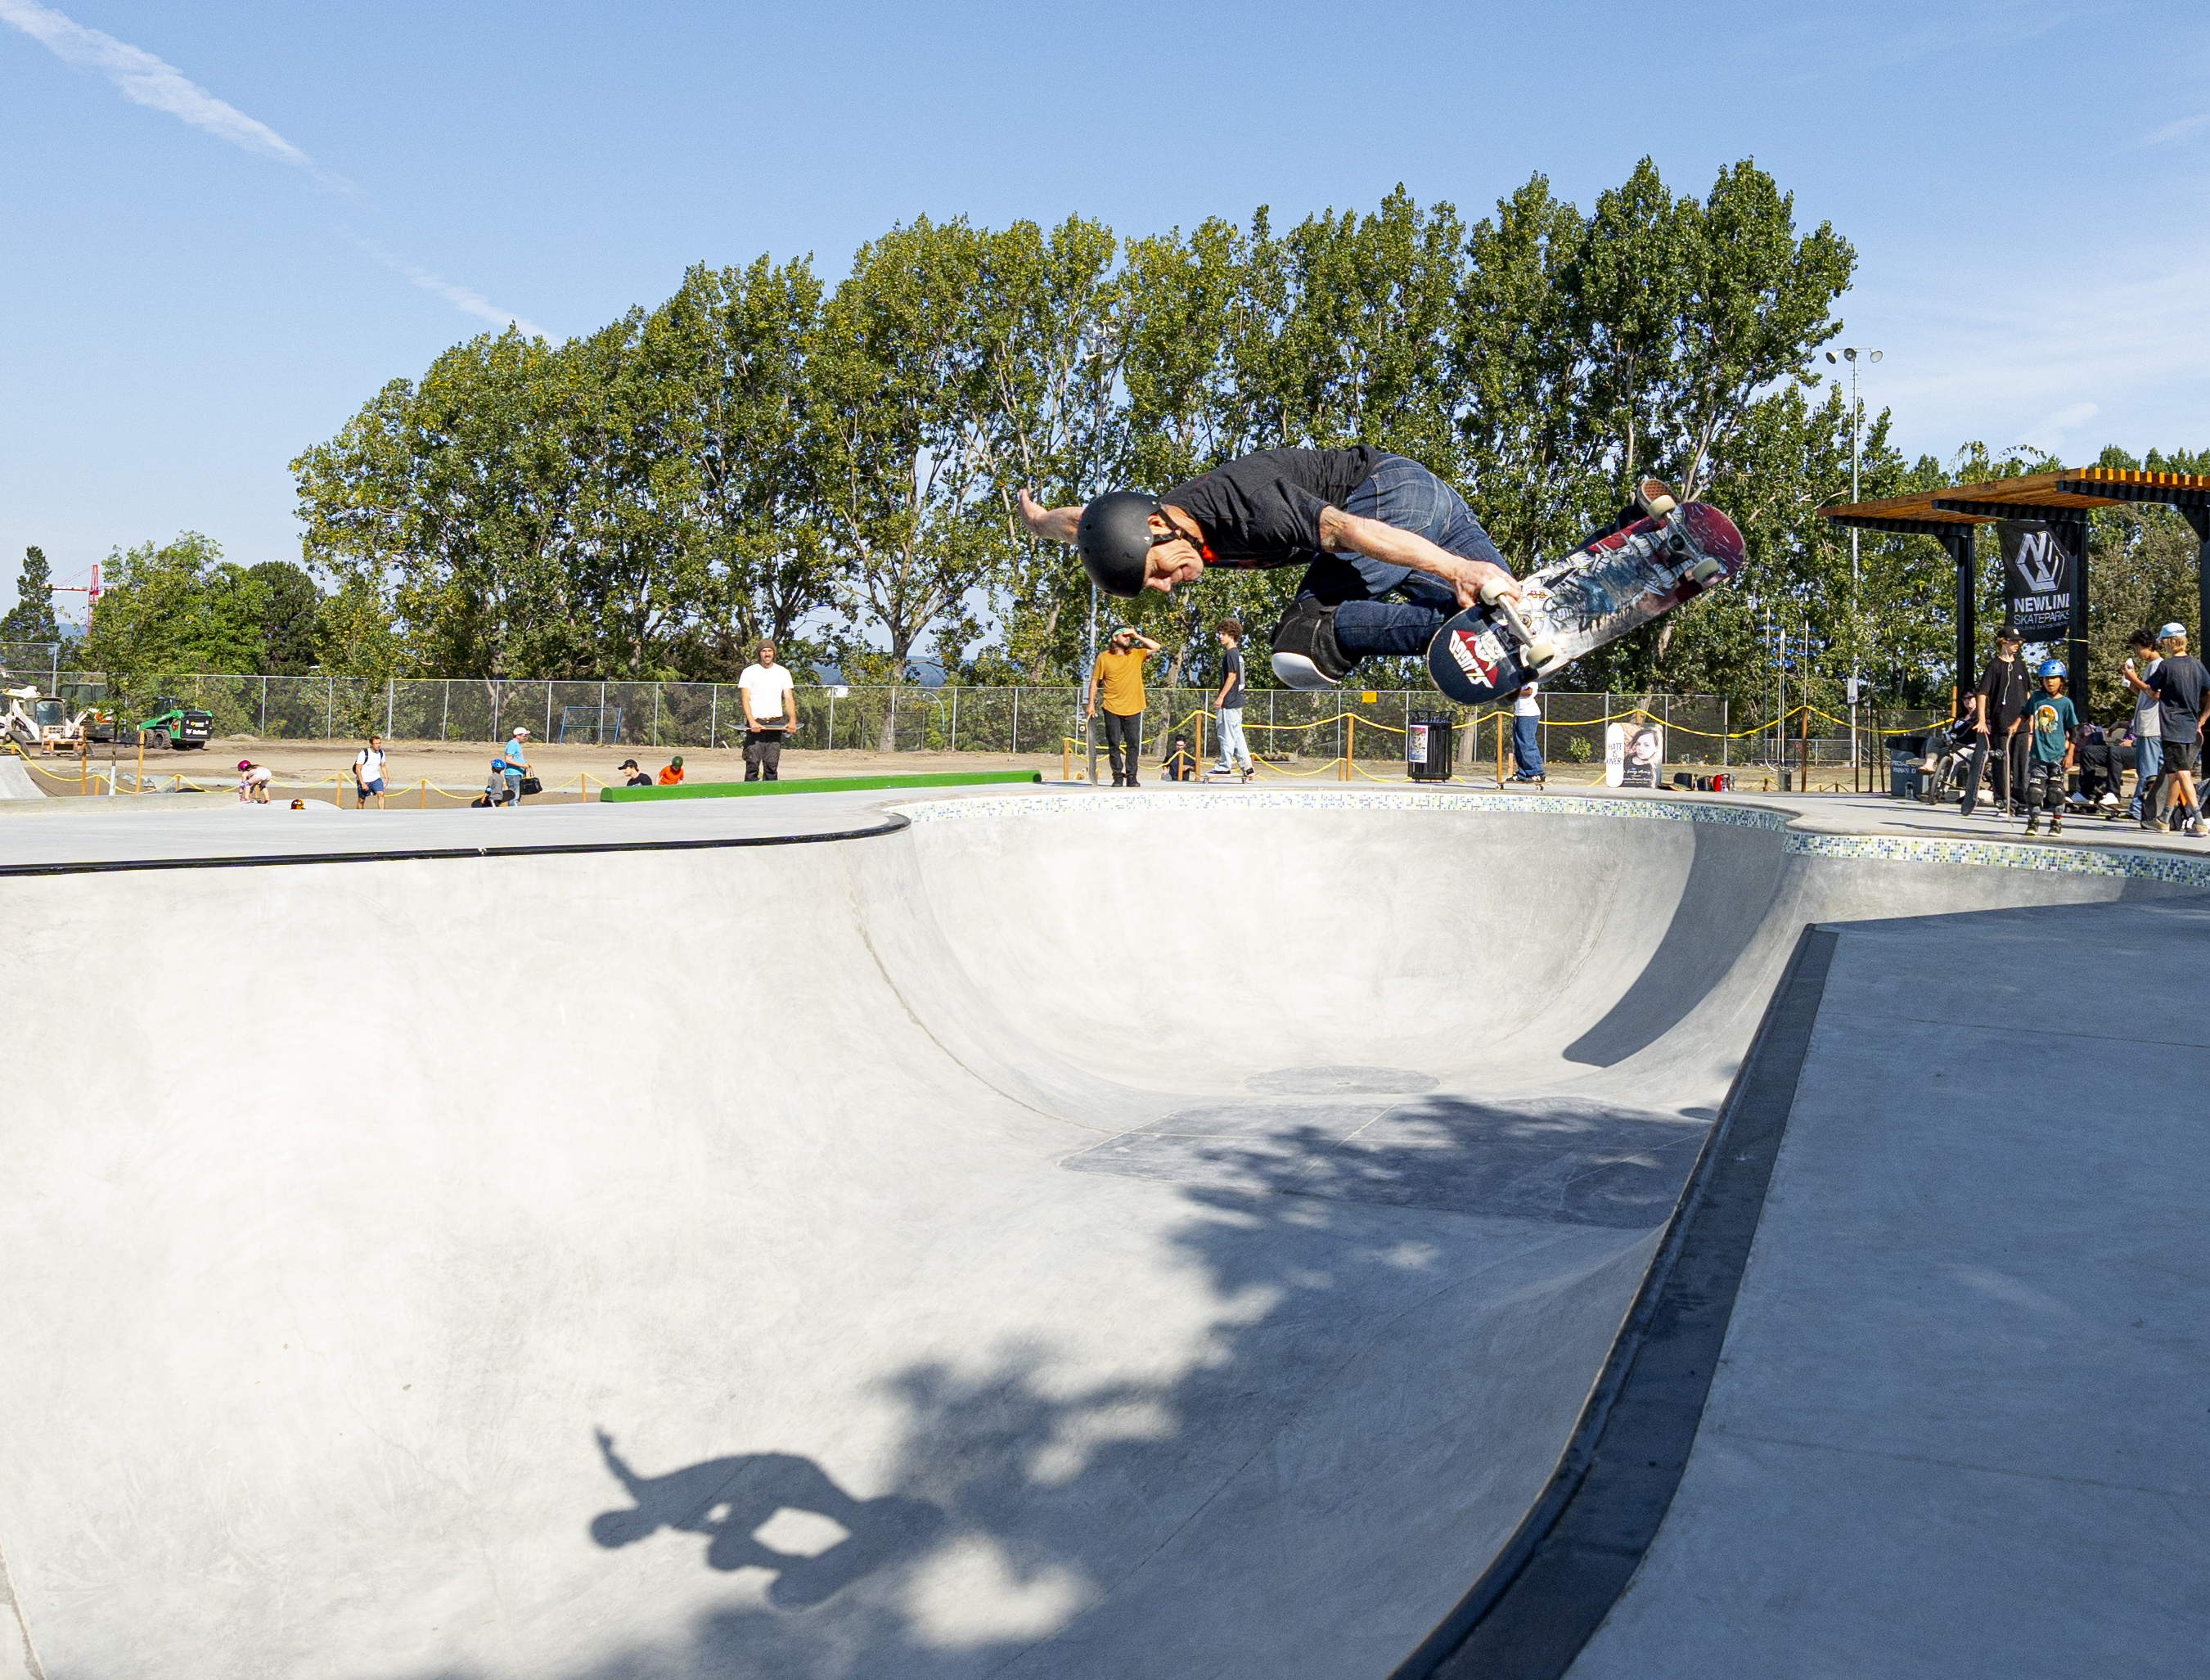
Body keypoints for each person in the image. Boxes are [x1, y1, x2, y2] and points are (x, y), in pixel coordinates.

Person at [1018, 449, 1677, 689]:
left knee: (1300, 643)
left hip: (1393, 506)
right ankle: (1641, 533)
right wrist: (1043, 519)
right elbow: (1091, 523)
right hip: (1431, 504)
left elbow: (1349, 531)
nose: (1170, 584)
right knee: (1518, 614)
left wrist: (1455, 568)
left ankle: (1460, 626)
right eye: (1155, 588)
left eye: (1159, 573)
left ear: (1156, 528)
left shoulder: (1249, 507)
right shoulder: (1146, 520)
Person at [2143, 623, 2210, 835]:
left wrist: (2132, 678)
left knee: (2183, 773)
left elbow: (2152, 692)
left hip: (2173, 727)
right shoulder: (2198, 666)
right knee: (2174, 774)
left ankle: (2198, 820)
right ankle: (2164, 819)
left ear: (2171, 642)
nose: (2162, 645)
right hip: (2191, 728)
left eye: (2163, 641)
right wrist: (2202, 719)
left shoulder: (2167, 666)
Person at [1959, 625, 2032, 819]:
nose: (2017, 645)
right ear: (2003, 642)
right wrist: (1982, 720)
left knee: (2020, 765)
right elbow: (1983, 694)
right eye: (2013, 641)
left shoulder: (2021, 665)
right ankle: (2003, 802)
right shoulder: (1994, 666)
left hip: (2021, 724)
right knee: (2001, 764)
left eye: (2019, 642)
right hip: (2001, 724)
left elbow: (2028, 694)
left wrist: (2030, 723)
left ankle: (2020, 803)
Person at [1086, 628, 1159, 787]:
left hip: (1134, 706)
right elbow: (1094, 682)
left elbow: (1156, 647)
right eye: (1124, 635)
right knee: (1114, 743)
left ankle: (1132, 777)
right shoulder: (1103, 658)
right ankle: (1117, 776)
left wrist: (1137, 635)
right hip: (1111, 706)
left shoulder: (1136, 654)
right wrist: (1091, 703)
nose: (1127, 638)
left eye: (1129, 636)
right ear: (1114, 638)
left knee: (1133, 743)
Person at [2021, 660, 2077, 837]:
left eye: (2054, 678)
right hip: (2038, 754)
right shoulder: (2037, 698)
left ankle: (2056, 823)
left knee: (2056, 791)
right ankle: (2034, 822)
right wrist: (2014, 726)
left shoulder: (2066, 703)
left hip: (2057, 755)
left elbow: (2074, 731)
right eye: (2046, 679)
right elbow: (2024, 713)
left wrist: (2070, 755)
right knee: (2035, 791)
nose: (2050, 682)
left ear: (2061, 680)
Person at [738, 639, 797, 782]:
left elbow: (788, 698)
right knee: (752, 764)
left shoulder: (783, 673)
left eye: (769, 650)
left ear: (774, 653)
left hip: (775, 725)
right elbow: (745, 699)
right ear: (759, 654)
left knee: (771, 765)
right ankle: (749, 798)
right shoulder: (749, 672)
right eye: (763, 651)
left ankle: (771, 800)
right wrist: (751, 721)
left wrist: (792, 721)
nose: (767, 654)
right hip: (756, 725)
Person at [2120, 628, 2163, 820]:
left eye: (2138, 648)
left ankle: (2138, 808)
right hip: (2149, 726)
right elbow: (2145, 695)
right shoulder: (2150, 667)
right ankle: (2152, 808)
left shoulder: (2158, 666)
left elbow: (2156, 694)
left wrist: (2133, 678)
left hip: (2151, 727)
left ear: (2149, 646)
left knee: (2146, 770)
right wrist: (2132, 685)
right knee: (2156, 768)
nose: (2137, 653)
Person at [1211, 618, 1253, 781]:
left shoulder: (1230, 654)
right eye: (1220, 633)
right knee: (1237, 736)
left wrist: (1221, 697)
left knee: (1225, 734)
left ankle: (1224, 766)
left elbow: (1232, 676)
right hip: (1238, 701)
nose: (1220, 637)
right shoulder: (1238, 655)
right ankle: (1247, 767)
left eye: (1224, 634)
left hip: (1229, 702)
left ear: (1232, 635)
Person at [1510, 682, 1545, 782]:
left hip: (1529, 715)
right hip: (1519, 714)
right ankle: (1523, 773)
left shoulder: (1532, 680)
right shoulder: (1519, 681)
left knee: (1527, 744)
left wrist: (1512, 692)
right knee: (1519, 745)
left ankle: (1537, 773)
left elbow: (1528, 692)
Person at [352, 734, 388, 809]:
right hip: (364, 779)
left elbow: (383, 766)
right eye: (376, 744)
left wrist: (386, 778)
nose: (378, 745)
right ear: (371, 744)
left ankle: (382, 813)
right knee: (361, 799)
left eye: (379, 743)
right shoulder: (364, 754)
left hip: (376, 778)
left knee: (381, 794)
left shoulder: (381, 753)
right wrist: (362, 783)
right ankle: (359, 814)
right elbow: (358, 770)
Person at [502, 727, 531, 807]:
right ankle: (513, 814)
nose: (525, 737)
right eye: (524, 735)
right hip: (513, 775)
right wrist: (523, 766)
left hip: (517, 773)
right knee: (514, 796)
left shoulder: (515, 744)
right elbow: (508, 759)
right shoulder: (513, 745)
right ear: (518, 736)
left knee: (517, 796)